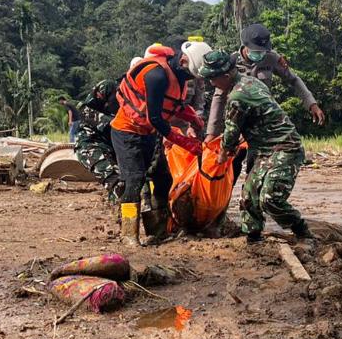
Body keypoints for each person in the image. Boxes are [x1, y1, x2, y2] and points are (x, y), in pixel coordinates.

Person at [199, 50, 314, 244]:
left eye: (212, 78)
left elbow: (231, 132)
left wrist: (223, 155)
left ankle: (302, 232)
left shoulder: (238, 96)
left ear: (226, 76)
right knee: (249, 195)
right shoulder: (251, 82)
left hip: (285, 147)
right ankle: (253, 237)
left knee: (270, 198)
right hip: (262, 149)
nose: (211, 83)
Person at [111, 44, 205, 246]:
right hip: (127, 131)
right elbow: (155, 117)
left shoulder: (178, 76)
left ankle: (159, 229)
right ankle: (129, 234)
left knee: (163, 179)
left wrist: (194, 120)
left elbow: (174, 105)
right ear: (182, 62)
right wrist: (186, 143)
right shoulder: (157, 76)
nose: (190, 80)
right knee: (134, 180)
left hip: (148, 133)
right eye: (190, 75)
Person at [205, 23, 325, 181]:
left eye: (263, 51)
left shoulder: (272, 58)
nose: (260, 55)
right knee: (232, 162)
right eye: (256, 51)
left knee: (255, 164)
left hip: (261, 122)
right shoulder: (231, 62)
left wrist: (311, 103)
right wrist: (212, 132)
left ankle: (250, 198)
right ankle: (225, 199)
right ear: (245, 47)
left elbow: (294, 80)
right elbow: (219, 96)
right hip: (238, 119)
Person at [74, 78, 123, 203]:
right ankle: (123, 215)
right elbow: (84, 111)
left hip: (112, 145)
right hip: (90, 145)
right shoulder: (107, 88)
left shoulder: (129, 94)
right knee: (115, 180)